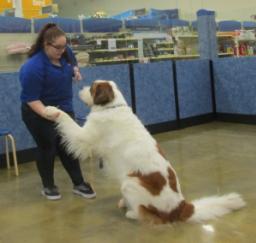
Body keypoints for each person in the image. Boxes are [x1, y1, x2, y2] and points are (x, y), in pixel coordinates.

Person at [19, 23, 96, 200]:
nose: (63, 50)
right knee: (48, 147)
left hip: (64, 109)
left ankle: (79, 183)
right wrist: (47, 114)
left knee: (68, 146)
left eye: (64, 46)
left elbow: (71, 59)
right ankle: (48, 186)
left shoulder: (64, 52)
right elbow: (31, 99)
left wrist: (75, 69)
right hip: (37, 111)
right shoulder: (33, 67)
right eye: (58, 47)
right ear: (46, 44)